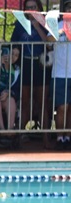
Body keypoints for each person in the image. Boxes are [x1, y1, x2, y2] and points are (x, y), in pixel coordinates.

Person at [12, 0, 51, 131]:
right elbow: (14, 43)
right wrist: (15, 51)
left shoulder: (46, 23)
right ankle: (20, 135)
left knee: (42, 103)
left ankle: (45, 136)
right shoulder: (20, 24)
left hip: (41, 64)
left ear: (39, 8)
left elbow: (49, 44)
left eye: (34, 7)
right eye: (28, 8)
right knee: (25, 102)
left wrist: (38, 26)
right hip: (26, 63)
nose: (31, 10)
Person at [48, 0, 71, 148]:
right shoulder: (58, 25)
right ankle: (60, 137)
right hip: (59, 73)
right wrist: (61, 32)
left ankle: (68, 137)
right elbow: (48, 40)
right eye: (68, 9)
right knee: (62, 107)